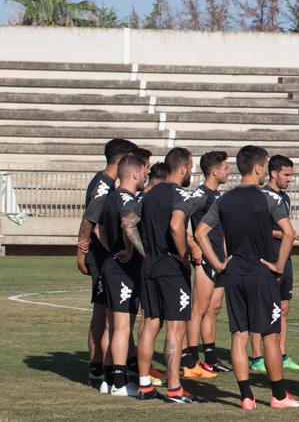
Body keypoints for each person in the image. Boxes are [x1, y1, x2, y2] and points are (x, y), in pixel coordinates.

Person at [194, 145, 299, 409]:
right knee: (269, 336)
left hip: (233, 274)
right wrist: (278, 265)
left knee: (239, 335)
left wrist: (219, 264)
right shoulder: (269, 198)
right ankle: (278, 396)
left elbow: (199, 233)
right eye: (266, 165)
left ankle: (246, 397)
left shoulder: (224, 199)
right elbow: (289, 233)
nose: (266, 169)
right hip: (261, 273)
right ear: (257, 168)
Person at [124, 147, 203, 403]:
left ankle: (144, 384)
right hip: (171, 268)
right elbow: (176, 225)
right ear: (182, 167)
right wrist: (182, 253)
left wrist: (144, 251)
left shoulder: (147, 194)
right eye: (190, 167)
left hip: (150, 267)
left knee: (149, 324)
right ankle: (174, 388)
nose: (191, 171)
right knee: (175, 328)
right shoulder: (179, 194)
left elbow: (128, 223)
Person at [81, 153, 147, 397]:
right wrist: (138, 252)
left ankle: (109, 380)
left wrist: (110, 248)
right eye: (144, 171)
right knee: (122, 327)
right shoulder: (127, 199)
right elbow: (128, 225)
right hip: (123, 270)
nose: (146, 175)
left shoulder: (108, 197)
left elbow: (96, 227)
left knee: (112, 326)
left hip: (109, 265)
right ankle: (120, 383)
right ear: (135, 173)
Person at [172, 150, 231, 376]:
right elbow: (180, 219)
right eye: (225, 167)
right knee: (198, 309)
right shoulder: (200, 194)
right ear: (214, 170)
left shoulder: (220, 196)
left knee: (213, 309)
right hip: (206, 259)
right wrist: (192, 244)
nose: (228, 171)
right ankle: (191, 359)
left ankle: (211, 358)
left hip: (221, 259)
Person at [250, 155, 299, 373]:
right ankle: (257, 356)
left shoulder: (285, 198)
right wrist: (281, 234)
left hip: (284, 259)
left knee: (283, 307)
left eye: (291, 174)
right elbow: (254, 228)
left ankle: (281, 353)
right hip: (265, 259)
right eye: (286, 175)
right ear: (273, 173)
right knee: (259, 308)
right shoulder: (261, 197)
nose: (290, 179)